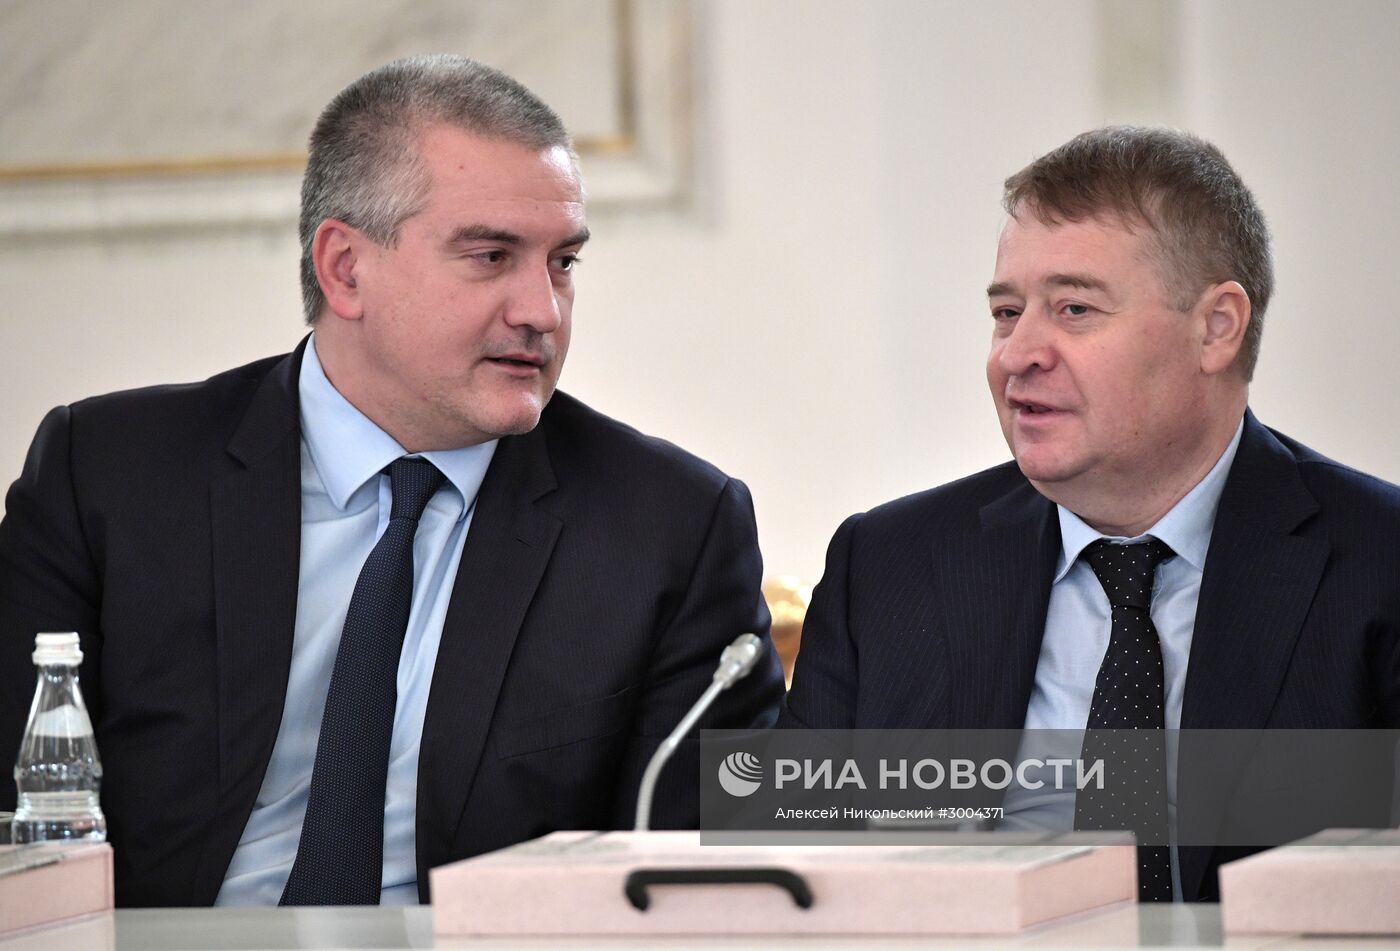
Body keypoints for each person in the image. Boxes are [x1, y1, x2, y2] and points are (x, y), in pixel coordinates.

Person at [0, 55, 783, 907]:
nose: (543, 311)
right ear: (344, 268)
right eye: (491, 255)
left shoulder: (669, 527)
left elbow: (713, 863)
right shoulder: (109, 476)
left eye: (562, 262)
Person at [780, 126, 1400, 901]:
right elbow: (789, 876)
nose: (1017, 354)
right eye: (1007, 312)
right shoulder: (889, 564)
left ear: (1217, 327)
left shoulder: (1377, 563)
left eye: (1074, 308)